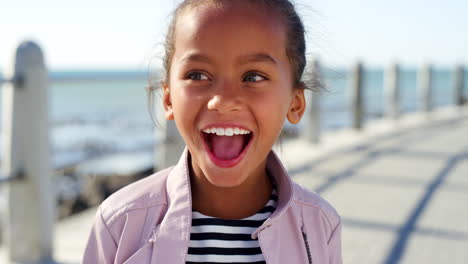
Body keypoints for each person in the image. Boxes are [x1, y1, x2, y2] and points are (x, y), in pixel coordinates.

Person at [83, 0, 342, 263]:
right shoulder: (120, 224)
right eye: (197, 75)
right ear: (168, 99)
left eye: (253, 77)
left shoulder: (319, 226)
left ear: (295, 103)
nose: (223, 100)